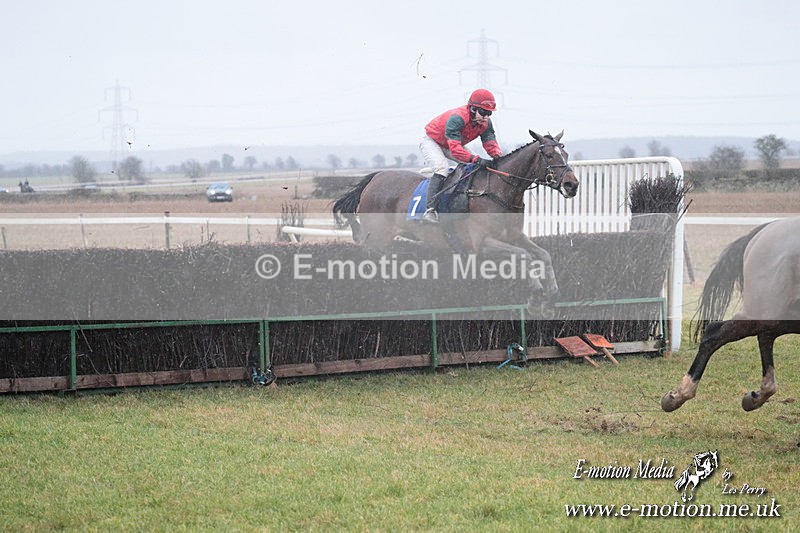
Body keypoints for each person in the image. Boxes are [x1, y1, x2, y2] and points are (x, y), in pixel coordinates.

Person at [419, 88, 503, 223]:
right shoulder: (458, 118)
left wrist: (498, 156)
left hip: (452, 143)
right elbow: (456, 150)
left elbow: (490, 142)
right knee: (442, 169)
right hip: (432, 141)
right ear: (472, 109)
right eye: (483, 112)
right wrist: (475, 159)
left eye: (489, 113)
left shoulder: (485, 122)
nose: (486, 117)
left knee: (473, 167)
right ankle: (430, 210)